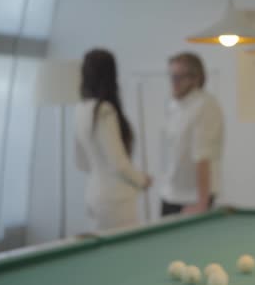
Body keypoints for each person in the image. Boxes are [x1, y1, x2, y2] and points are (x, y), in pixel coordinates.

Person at [75, 49, 151, 230]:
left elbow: (81, 162)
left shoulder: (80, 109)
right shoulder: (104, 110)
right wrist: (142, 180)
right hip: (116, 200)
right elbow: (118, 163)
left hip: (94, 195)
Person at [159, 52, 224, 216]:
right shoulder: (174, 105)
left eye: (179, 77)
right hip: (170, 193)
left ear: (195, 79)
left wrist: (201, 203)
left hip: (192, 198)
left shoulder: (205, 106)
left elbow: (203, 155)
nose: (174, 83)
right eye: (172, 77)